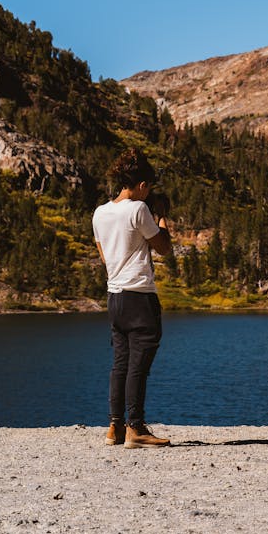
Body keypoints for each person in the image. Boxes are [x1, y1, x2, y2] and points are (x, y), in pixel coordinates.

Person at [92, 148, 172, 448]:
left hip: (115, 297)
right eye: (148, 187)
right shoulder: (138, 210)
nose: (148, 192)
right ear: (141, 184)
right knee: (139, 365)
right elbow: (163, 247)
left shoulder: (100, 213)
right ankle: (136, 428)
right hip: (140, 297)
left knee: (121, 363)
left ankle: (115, 427)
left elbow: (104, 255)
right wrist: (162, 216)